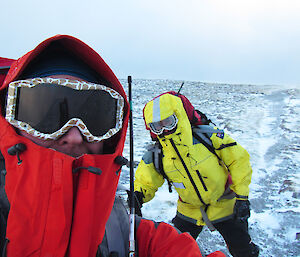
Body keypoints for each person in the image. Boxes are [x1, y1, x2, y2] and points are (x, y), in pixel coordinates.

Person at [0, 35, 226, 257]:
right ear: (9, 122)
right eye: (46, 116)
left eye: (95, 118)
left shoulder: (124, 231)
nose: (76, 136)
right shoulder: (157, 154)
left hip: (225, 208)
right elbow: (150, 174)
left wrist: (242, 197)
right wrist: (140, 193)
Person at [134, 92, 260, 257]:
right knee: (174, 248)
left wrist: (242, 197)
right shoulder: (158, 154)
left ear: (179, 116)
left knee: (242, 248)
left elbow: (238, 161)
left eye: (169, 122)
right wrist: (136, 197)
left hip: (224, 204)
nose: (164, 130)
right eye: (157, 126)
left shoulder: (208, 136)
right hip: (189, 209)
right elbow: (146, 180)